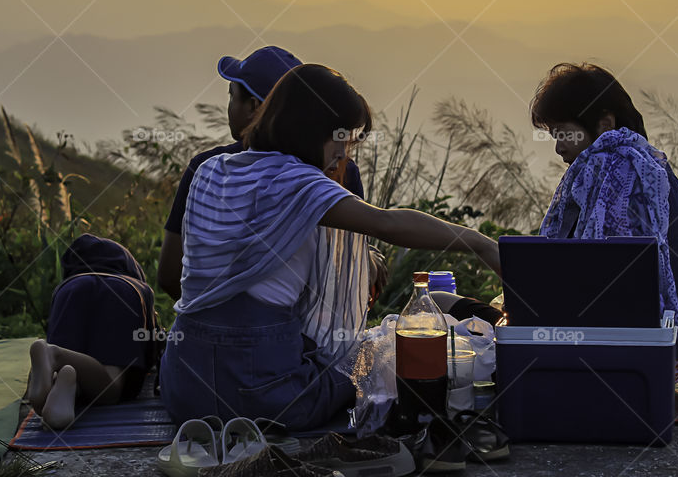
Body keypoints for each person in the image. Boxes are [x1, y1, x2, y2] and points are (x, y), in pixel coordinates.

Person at [158, 64, 501, 431]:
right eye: (343, 137)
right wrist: (480, 243)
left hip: (183, 386)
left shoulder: (209, 171)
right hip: (263, 398)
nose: (345, 152)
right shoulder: (300, 184)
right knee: (373, 360)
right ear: (312, 130)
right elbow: (388, 223)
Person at [435, 63, 678, 378]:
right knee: (441, 301)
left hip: (622, 356)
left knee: (440, 309)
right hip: (658, 354)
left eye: (564, 134)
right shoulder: (644, 168)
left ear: (604, 124)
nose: (558, 148)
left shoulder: (618, 173)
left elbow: (597, 289)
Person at [157, 45, 366, 302]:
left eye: (232, 96)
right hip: (303, 335)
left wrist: (218, 310)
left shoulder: (207, 167)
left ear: (255, 106)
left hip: (201, 327)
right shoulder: (340, 172)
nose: (229, 107)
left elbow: (170, 275)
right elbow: (349, 274)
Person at [27, 234, 158, 429]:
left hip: (72, 291)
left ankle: (62, 388)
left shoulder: (67, 285)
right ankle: (54, 354)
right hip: (121, 294)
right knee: (111, 389)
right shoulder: (136, 286)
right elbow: (153, 343)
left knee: (71, 370)